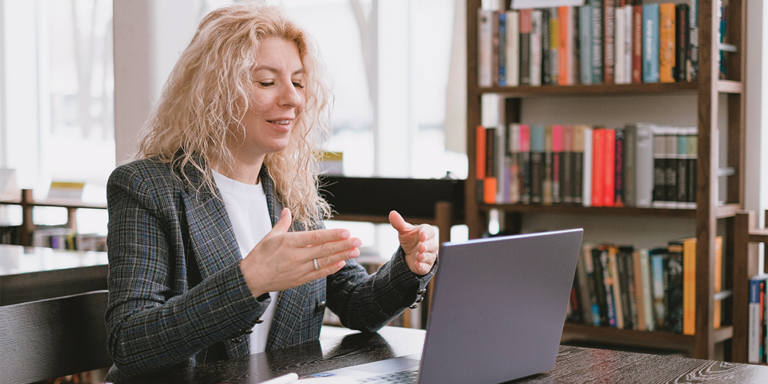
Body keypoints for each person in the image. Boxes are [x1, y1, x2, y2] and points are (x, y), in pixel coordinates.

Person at [104, 3, 438, 381]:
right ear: (215, 91)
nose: (293, 99)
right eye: (267, 82)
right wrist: (250, 281)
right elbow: (131, 341)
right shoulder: (145, 187)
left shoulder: (289, 193)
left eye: (297, 82)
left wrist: (409, 265)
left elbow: (358, 305)